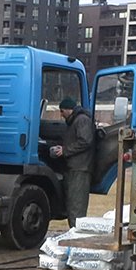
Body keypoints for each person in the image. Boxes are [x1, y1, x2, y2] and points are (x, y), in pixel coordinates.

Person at [49, 97, 94, 227]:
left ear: (69, 110)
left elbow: (85, 141)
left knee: (77, 205)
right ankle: (73, 233)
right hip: (74, 168)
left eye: (62, 111)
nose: (61, 114)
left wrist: (65, 150)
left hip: (80, 168)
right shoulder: (76, 121)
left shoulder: (82, 120)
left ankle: (76, 236)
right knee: (72, 204)